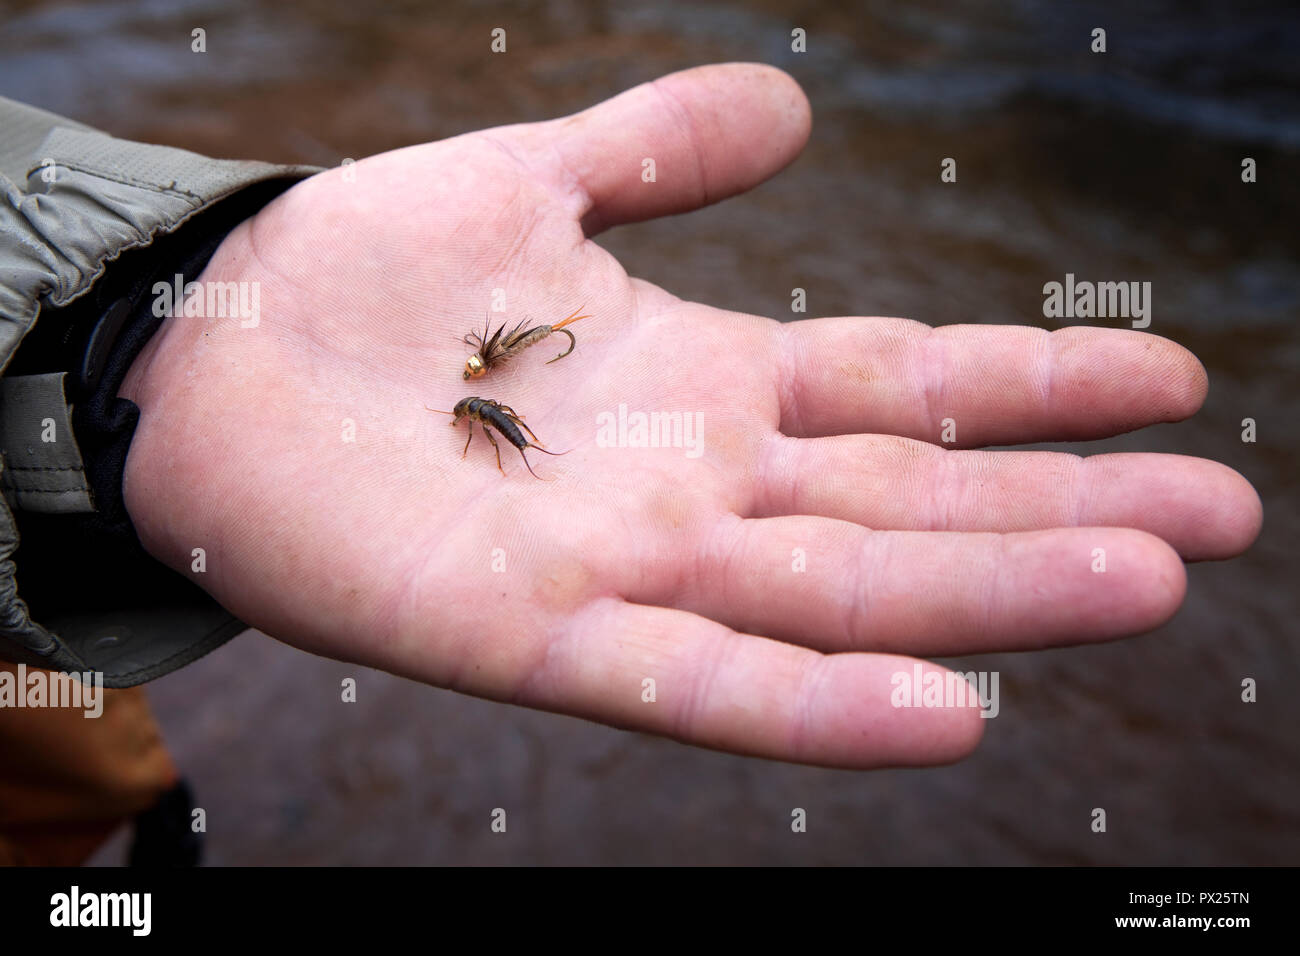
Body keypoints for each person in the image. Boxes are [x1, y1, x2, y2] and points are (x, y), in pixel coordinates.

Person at [0, 62, 1262, 798]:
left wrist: (125, 323)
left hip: (58, 662)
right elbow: (486, 397)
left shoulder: (491, 389)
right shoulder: (480, 398)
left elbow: (495, 390)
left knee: (92, 788)